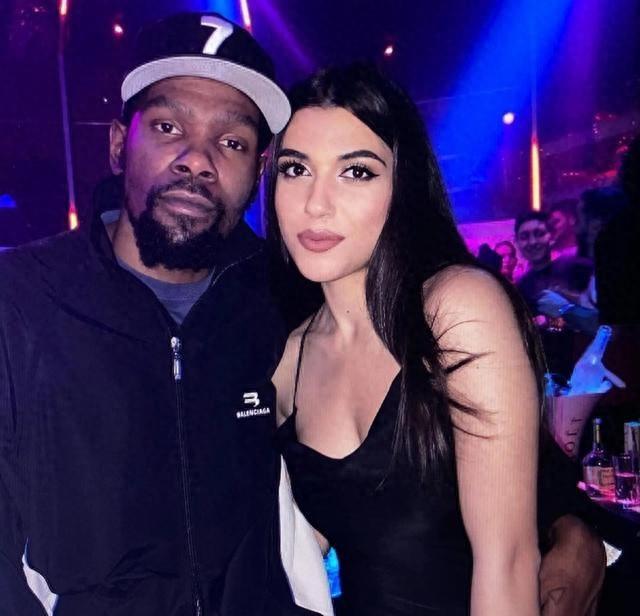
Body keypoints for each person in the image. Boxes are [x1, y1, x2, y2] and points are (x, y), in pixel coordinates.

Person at [0, 12, 321, 615]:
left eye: (232, 142)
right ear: (118, 144)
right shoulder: (21, 302)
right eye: (169, 127)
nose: (197, 161)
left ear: (259, 171)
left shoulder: (287, 299)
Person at [268, 62, 542, 615]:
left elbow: (509, 561)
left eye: (356, 172)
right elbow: (302, 549)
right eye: (295, 169)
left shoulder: (456, 309)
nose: (316, 203)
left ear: (403, 187)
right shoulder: (288, 359)